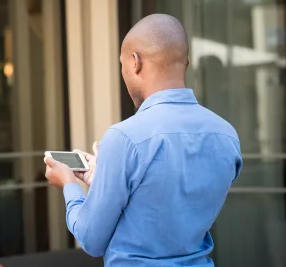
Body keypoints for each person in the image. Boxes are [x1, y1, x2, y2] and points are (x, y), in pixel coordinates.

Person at [44, 14, 243, 266]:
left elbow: (90, 239)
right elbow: (168, 206)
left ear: (135, 62)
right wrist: (104, 180)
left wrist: (69, 184)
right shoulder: (226, 136)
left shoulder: (124, 138)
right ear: (187, 63)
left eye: (122, 65)